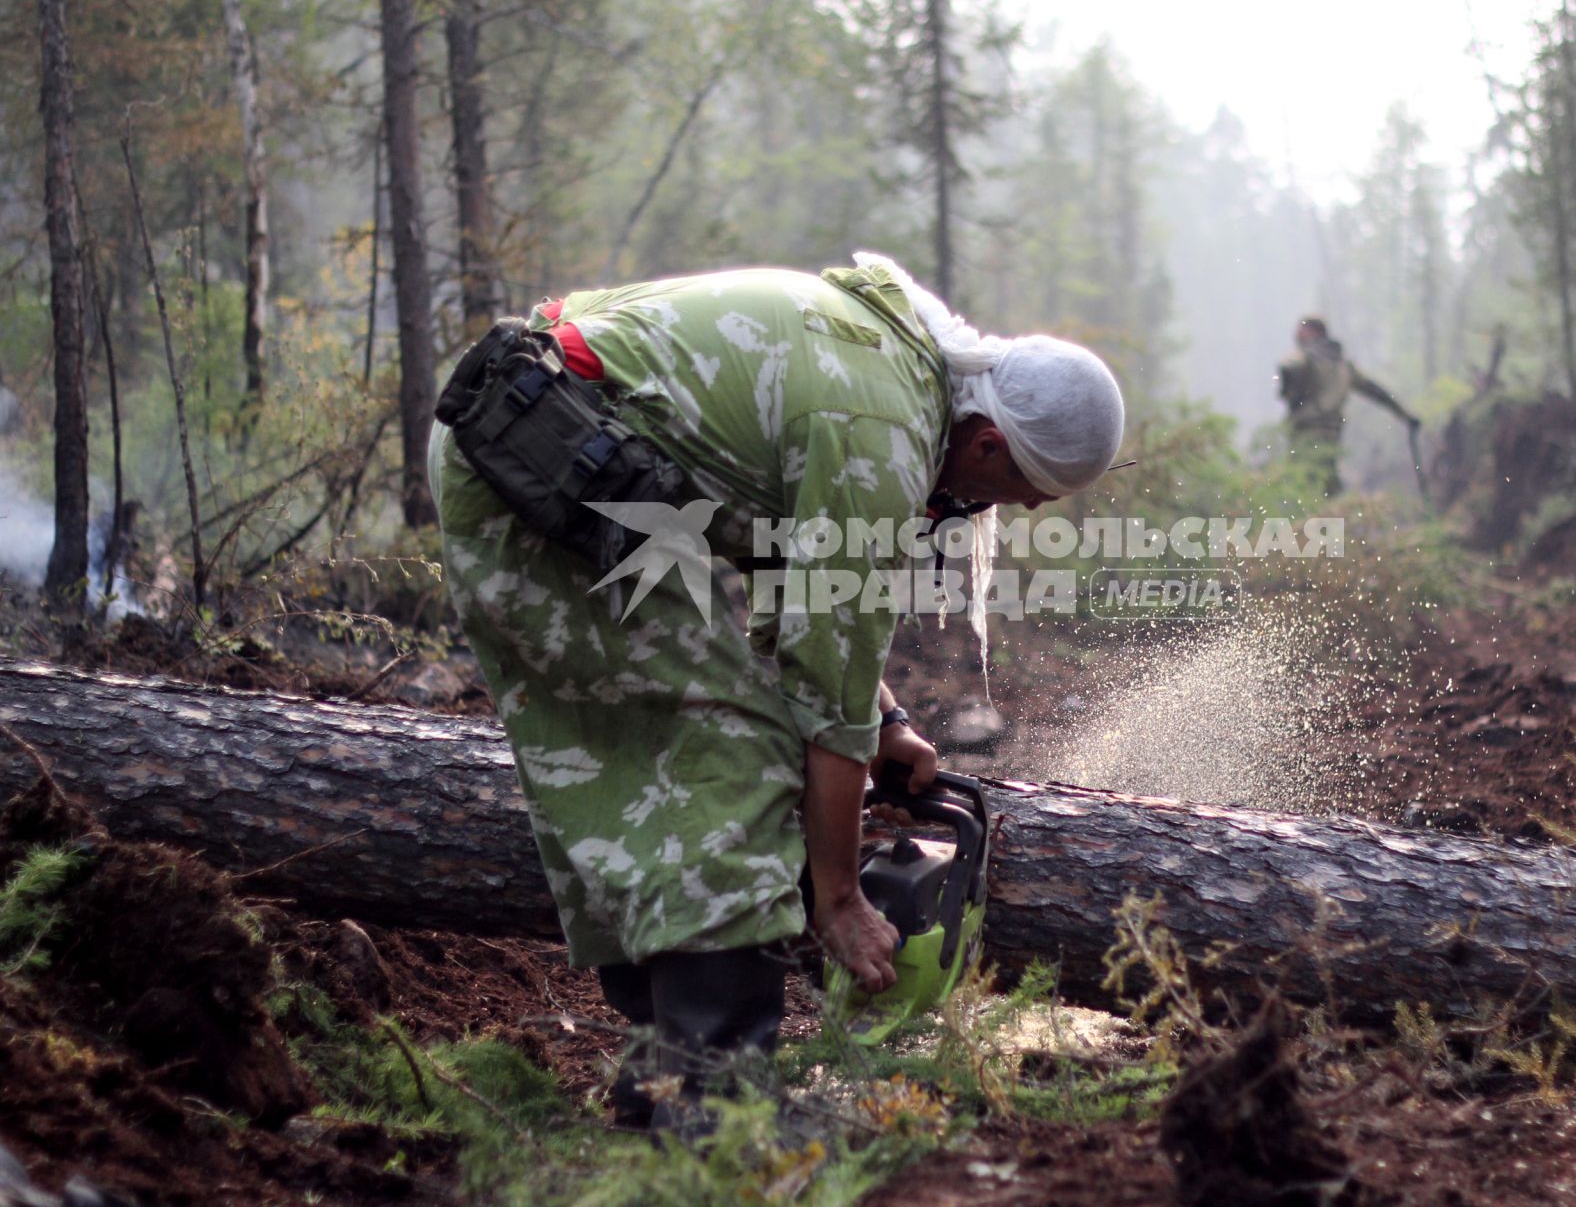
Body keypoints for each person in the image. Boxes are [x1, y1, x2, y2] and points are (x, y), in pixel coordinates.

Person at [430, 252, 1125, 1131]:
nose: (1011, 513)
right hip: (536, 468)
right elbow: (821, 683)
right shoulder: (881, 434)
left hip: (561, 447)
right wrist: (837, 898)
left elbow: (806, 607)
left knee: (687, 755)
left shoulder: (900, 366)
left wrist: (888, 722)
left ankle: (671, 1080)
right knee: (730, 754)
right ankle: (724, 1112)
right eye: (1021, 494)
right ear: (988, 444)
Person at [1277, 316, 1419, 497]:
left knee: (1301, 480)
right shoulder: (1343, 365)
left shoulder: (1303, 357)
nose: (1297, 335)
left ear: (1314, 332)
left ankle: (1316, 520)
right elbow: (1376, 391)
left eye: (1302, 330)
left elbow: (1288, 371)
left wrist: (1290, 392)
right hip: (1332, 431)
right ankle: (1337, 517)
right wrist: (1405, 415)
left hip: (1305, 430)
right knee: (1326, 479)